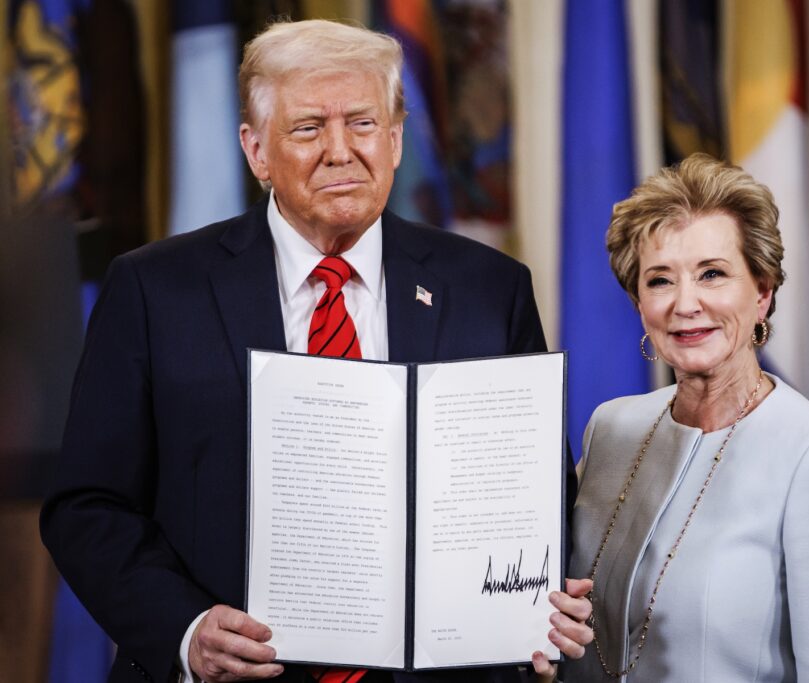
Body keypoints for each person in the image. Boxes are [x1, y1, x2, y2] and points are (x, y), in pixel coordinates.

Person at [40, 19, 590, 683]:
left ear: (394, 141)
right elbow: (86, 506)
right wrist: (186, 632)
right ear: (256, 151)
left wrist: (541, 604)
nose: (340, 150)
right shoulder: (154, 290)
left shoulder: (490, 288)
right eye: (308, 128)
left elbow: (539, 501)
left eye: (362, 123)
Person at [564, 155, 809, 682]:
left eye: (712, 274)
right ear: (637, 302)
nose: (685, 303)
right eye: (660, 280)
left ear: (762, 292)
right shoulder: (610, 430)